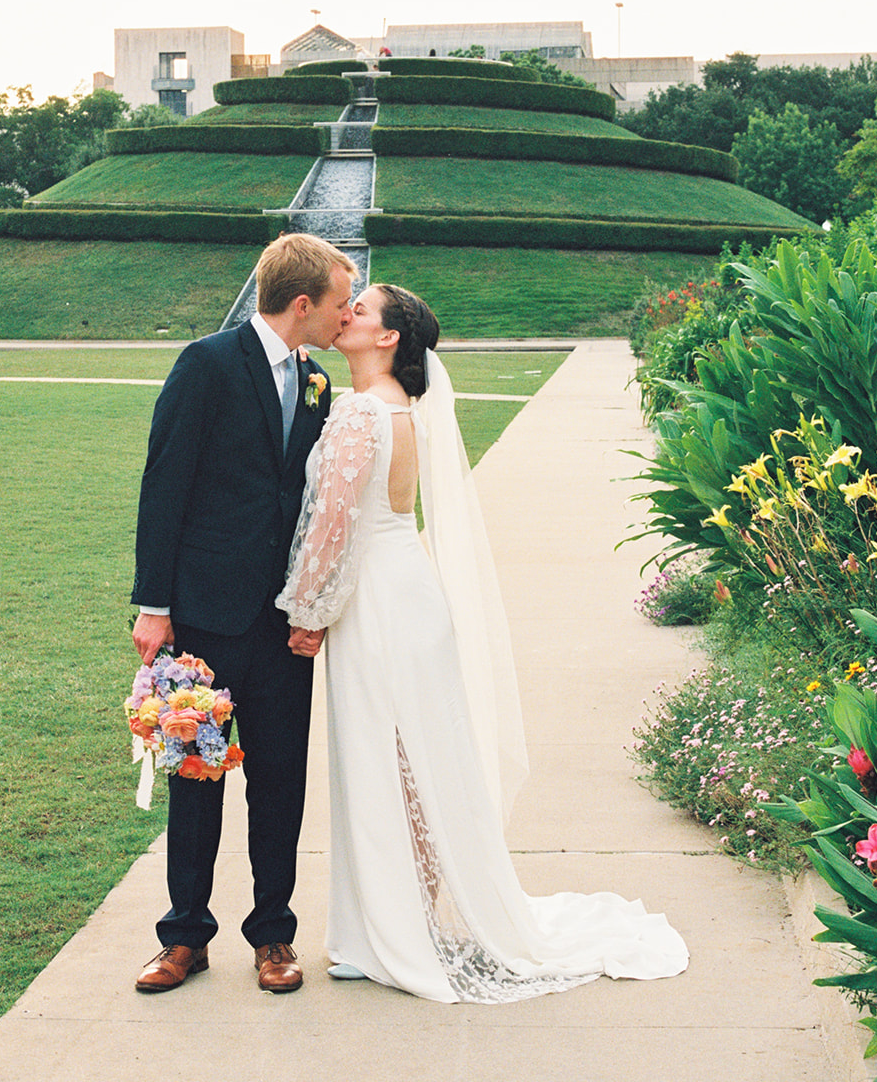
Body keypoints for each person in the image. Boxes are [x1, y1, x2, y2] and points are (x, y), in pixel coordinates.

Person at [276, 284, 689, 1001]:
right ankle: (404, 921)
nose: (346, 315)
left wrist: (306, 612)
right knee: (415, 762)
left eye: (361, 311)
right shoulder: (405, 412)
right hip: (408, 590)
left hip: (373, 601)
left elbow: (333, 528)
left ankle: (385, 935)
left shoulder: (357, 413)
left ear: (388, 340)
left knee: (381, 760)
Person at [131, 233, 357, 994]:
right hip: (200, 616)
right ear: (303, 304)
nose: (343, 314)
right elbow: (164, 485)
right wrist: (154, 608)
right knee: (195, 775)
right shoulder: (205, 364)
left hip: (282, 621)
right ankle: (183, 938)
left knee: (280, 779)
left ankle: (272, 936)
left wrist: (315, 603)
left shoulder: (318, 379)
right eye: (336, 302)